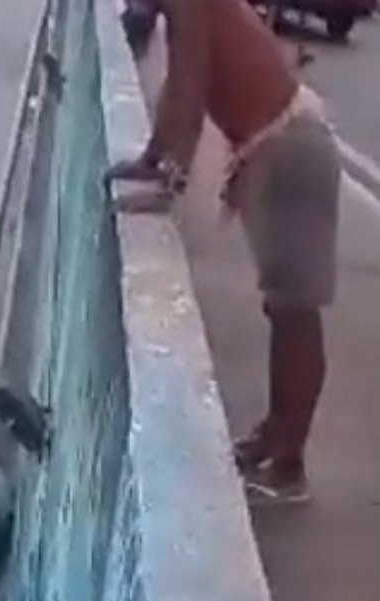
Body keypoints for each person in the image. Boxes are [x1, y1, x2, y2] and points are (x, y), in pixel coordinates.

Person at [107, 0, 341, 505]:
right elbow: (180, 80)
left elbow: (192, 83)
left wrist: (172, 179)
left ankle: (289, 466)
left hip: (287, 150)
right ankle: (275, 434)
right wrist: (152, 157)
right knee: (282, 307)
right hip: (273, 148)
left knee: (294, 313)